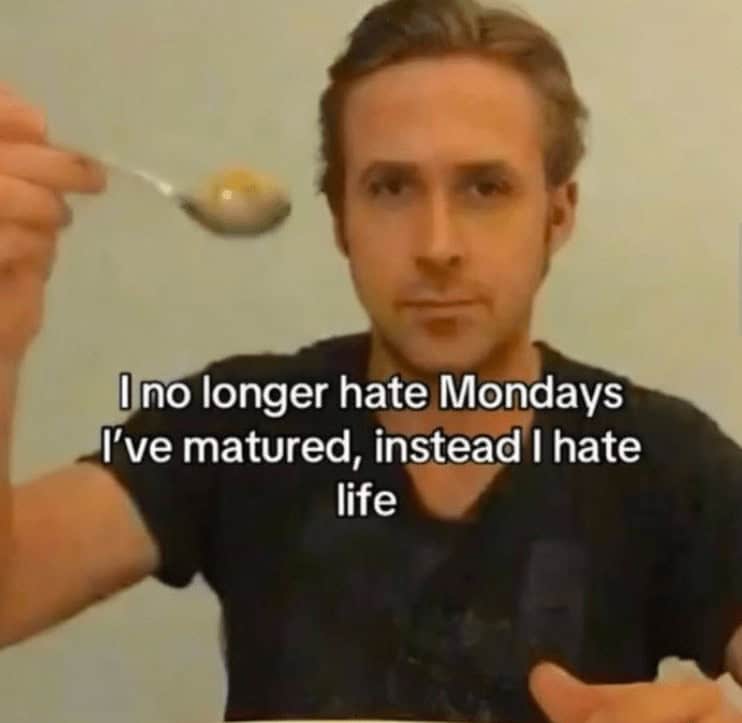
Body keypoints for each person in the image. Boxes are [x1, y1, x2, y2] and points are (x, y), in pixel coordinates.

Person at [0, 0, 741, 722]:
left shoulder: (663, 462)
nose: (438, 246)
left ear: (558, 213)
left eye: (485, 188)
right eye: (391, 188)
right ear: (340, 220)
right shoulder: (245, 420)